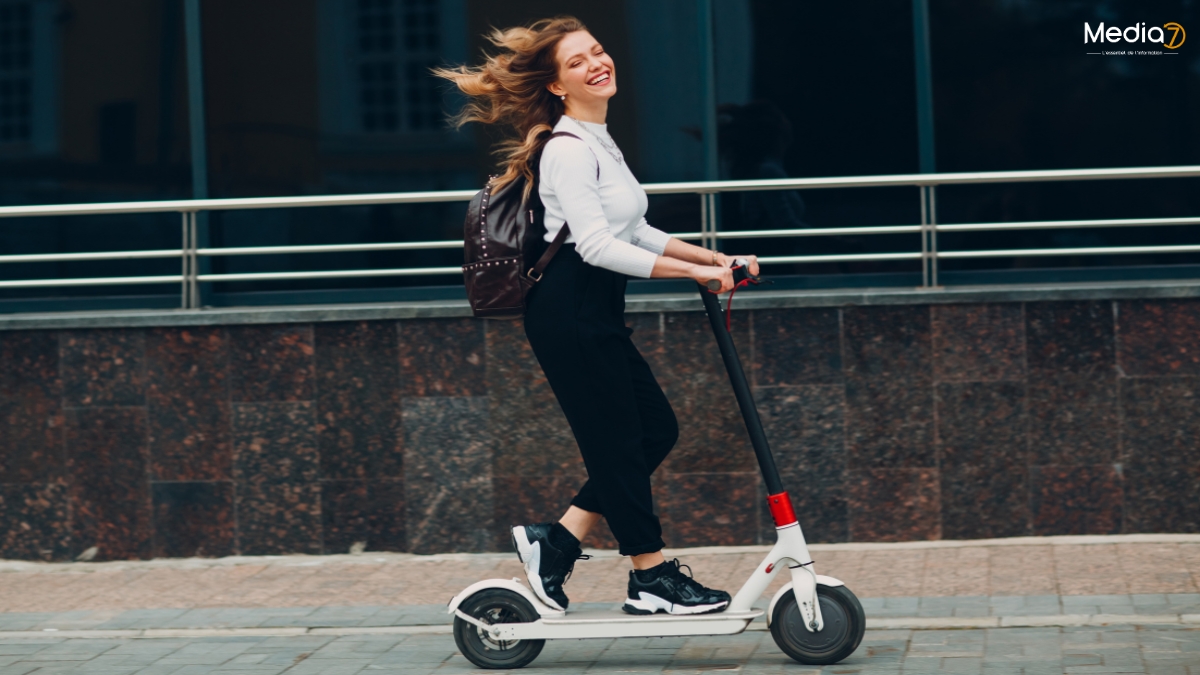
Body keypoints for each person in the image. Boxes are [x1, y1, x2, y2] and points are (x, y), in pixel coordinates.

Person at [435, 16, 759, 616]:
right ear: (557, 85)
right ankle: (650, 575)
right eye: (577, 61)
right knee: (617, 443)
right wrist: (693, 275)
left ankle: (557, 542)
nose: (597, 64)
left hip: (595, 310)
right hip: (570, 312)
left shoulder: (598, 139)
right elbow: (596, 247)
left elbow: (635, 228)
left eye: (598, 51)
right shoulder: (566, 149)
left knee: (654, 430)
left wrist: (714, 258)